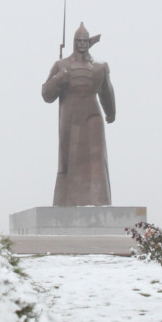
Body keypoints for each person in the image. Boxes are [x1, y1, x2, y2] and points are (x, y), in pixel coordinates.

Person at [42, 22, 115, 206]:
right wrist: (60, 78)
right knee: (71, 159)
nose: (82, 44)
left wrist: (110, 113)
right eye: (78, 41)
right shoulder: (62, 65)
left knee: (96, 158)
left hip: (93, 116)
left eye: (85, 40)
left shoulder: (99, 68)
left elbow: (107, 92)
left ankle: (97, 200)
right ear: (74, 42)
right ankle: (68, 200)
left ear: (89, 42)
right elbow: (46, 94)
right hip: (71, 118)